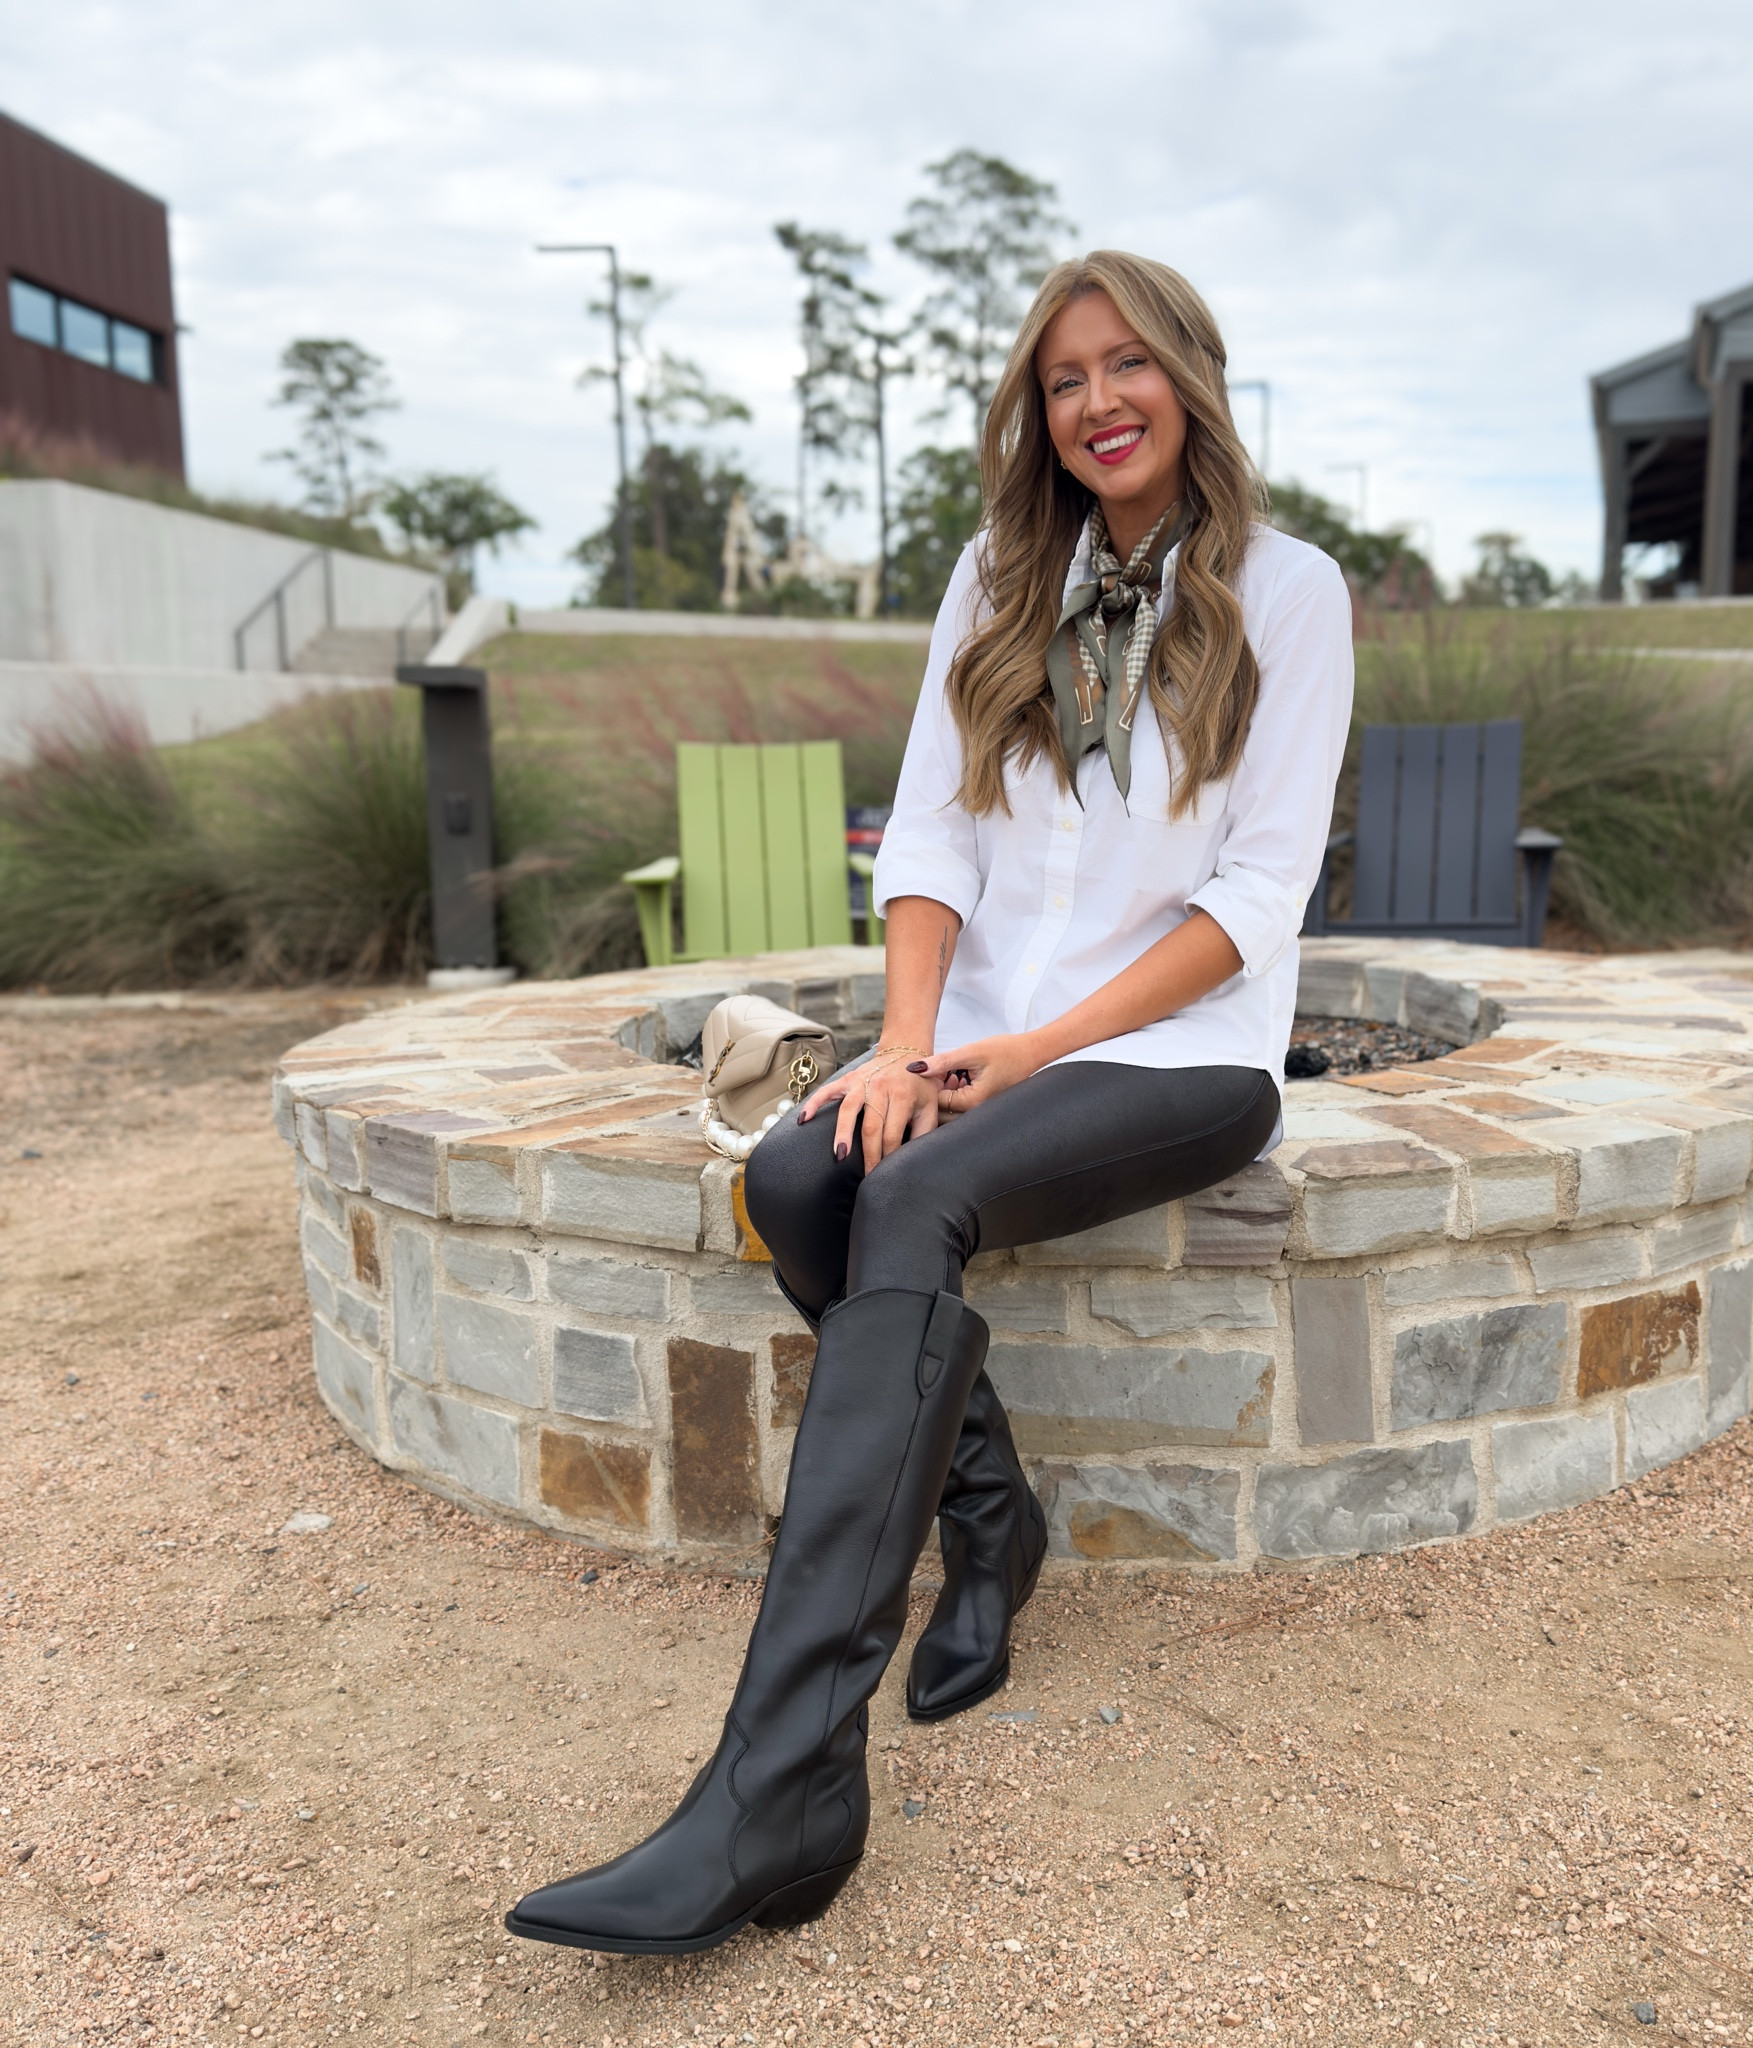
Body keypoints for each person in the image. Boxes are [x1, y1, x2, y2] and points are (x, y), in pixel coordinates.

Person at [506, 250, 1355, 1957]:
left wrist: (1027, 1058)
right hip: (972, 1035)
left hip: (1177, 1058)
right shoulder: (996, 575)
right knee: (808, 1181)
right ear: (1033, 412)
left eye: (1127, 366)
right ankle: (990, 1518)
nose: (1098, 402)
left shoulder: (1290, 590)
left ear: (1189, 376)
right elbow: (935, 830)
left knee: (909, 1200)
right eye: (1063, 378)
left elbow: (1261, 895)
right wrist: (906, 1049)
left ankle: (781, 1781)